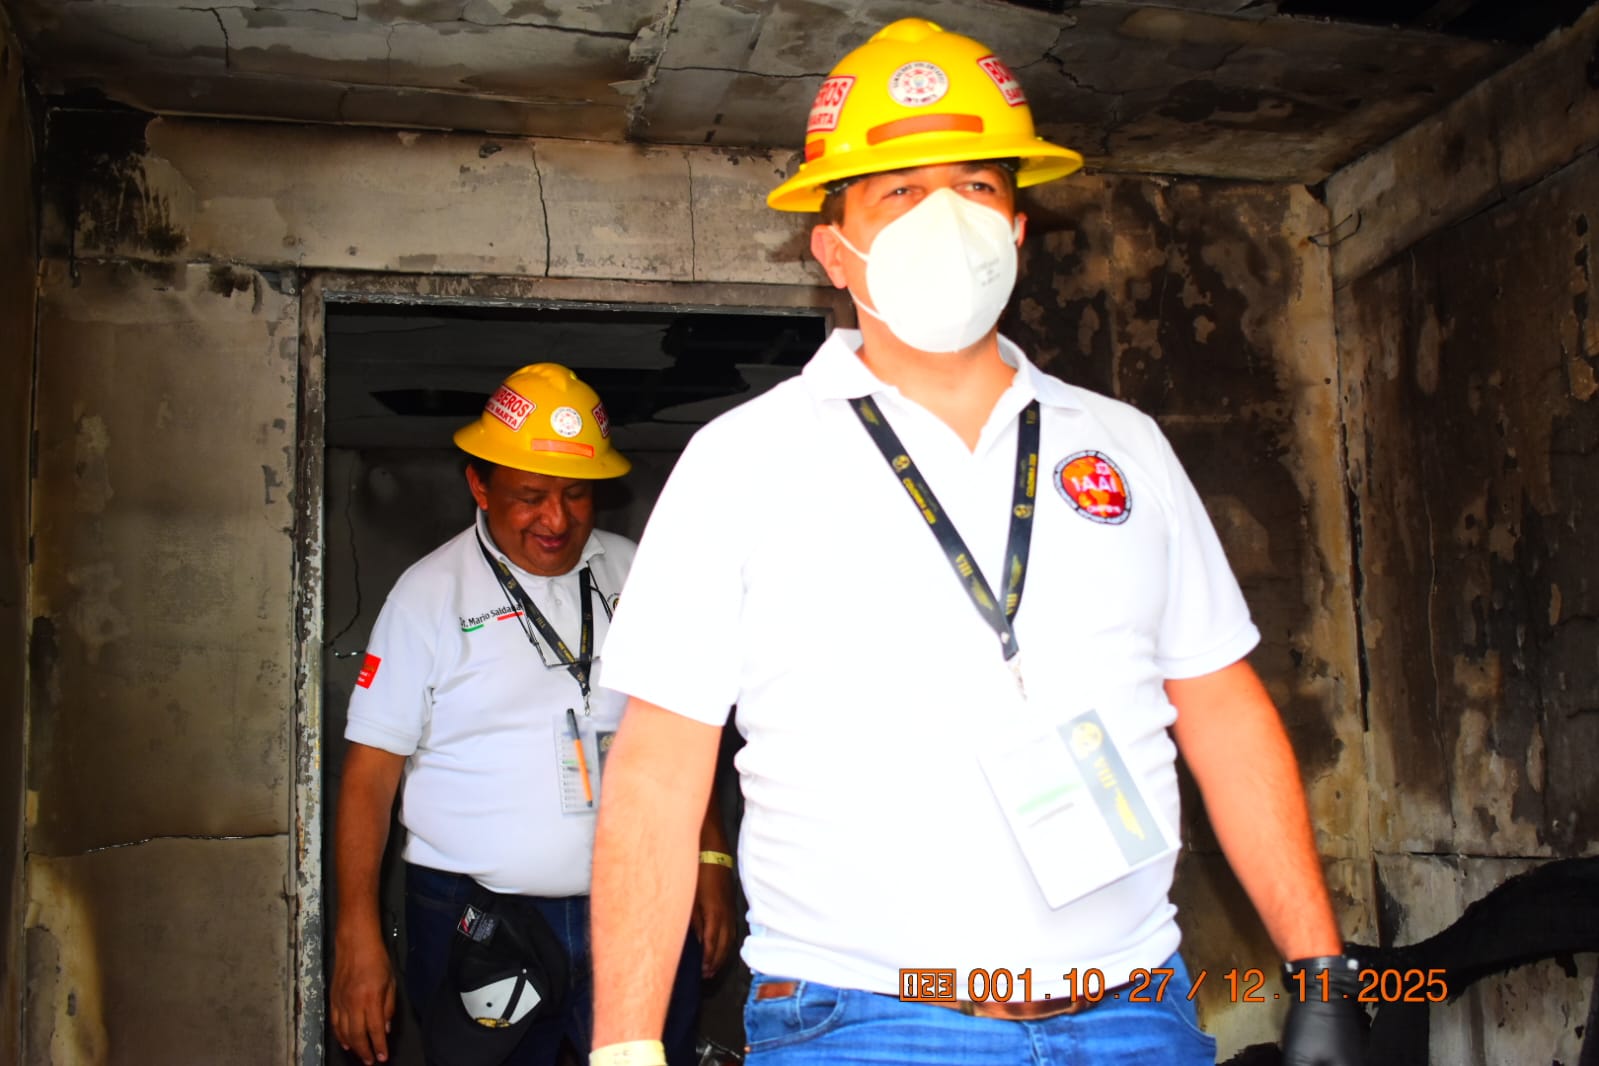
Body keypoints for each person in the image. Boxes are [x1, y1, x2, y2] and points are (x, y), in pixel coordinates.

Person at [586, 18, 1364, 1066]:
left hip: (1135, 1012)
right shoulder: (743, 461)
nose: (946, 217)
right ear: (833, 246)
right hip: (865, 1022)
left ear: (1019, 228)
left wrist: (1319, 968)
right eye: (899, 192)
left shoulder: (1122, 447)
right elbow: (657, 773)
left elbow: (1222, 710)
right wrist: (626, 1044)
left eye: (978, 186)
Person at [329, 363, 735, 1066]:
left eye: (577, 495)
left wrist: (708, 858)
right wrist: (355, 930)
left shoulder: (638, 574)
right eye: (530, 496)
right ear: (479, 486)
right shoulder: (427, 596)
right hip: (482, 922)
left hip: (637, 906)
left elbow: (678, 731)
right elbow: (370, 774)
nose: (556, 519)